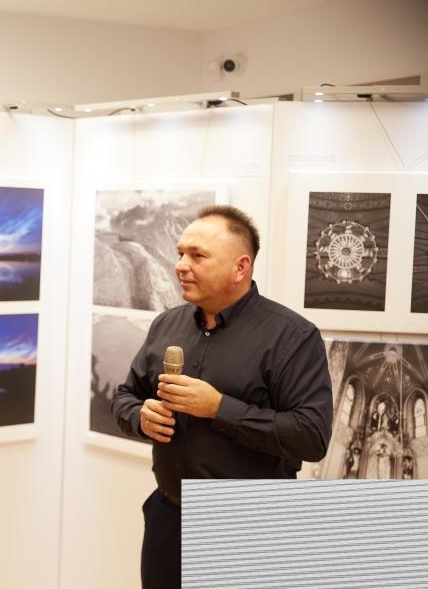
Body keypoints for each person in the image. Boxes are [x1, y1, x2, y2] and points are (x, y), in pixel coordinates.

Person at [111, 205, 332, 589]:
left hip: (250, 532)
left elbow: (311, 436)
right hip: (169, 519)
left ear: (240, 267)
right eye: (180, 253)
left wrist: (219, 408)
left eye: (197, 256)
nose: (181, 265)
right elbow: (125, 396)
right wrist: (140, 416)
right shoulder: (166, 324)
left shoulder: (293, 337)